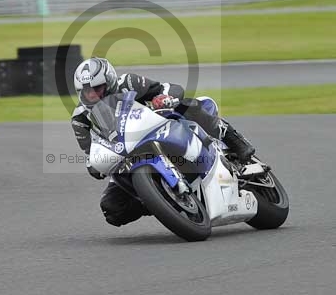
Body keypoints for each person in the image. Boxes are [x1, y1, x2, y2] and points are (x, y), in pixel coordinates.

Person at [70, 57, 256, 227]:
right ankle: (161, 200)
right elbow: (90, 151)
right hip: (124, 155)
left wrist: (166, 98)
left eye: (97, 88)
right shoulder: (80, 119)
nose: (93, 95)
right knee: (112, 209)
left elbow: (169, 88)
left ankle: (235, 141)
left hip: (157, 126)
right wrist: (93, 165)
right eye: (87, 92)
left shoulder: (128, 82)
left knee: (188, 106)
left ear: (109, 81)